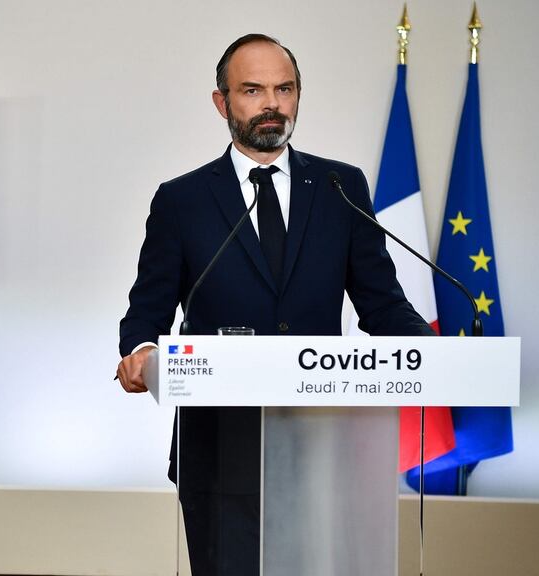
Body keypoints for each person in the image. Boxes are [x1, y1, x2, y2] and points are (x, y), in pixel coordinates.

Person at [115, 34, 434, 576]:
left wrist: (437, 356)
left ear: (298, 95)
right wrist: (142, 353)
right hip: (219, 450)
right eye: (253, 90)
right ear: (222, 102)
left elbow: (382, 305)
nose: (272, 104)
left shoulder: (340, 186)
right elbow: (148, 309)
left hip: (324, 445)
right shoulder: (182, 200)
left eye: (284, 89)